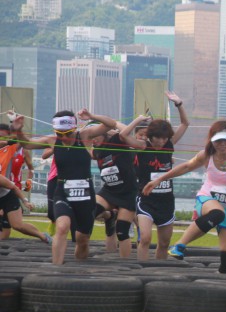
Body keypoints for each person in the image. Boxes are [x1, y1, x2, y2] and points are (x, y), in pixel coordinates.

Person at [144, 120, 226, 274]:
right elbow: (186, 166)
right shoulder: (206, 155)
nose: (222, 144)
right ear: (212, 141)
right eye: (218, 140)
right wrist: (159, 180)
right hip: (208, 199)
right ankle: (179, 245)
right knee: (217, 214)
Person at [13, 110, 118, 264]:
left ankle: (79, 269)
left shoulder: (85, 136)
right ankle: (56, 268)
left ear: (74, 128)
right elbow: (27, 144)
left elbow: (111, 124)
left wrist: (92, 117)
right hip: (63, 191)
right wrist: (19, 130)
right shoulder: (52, 140)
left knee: (82, 239)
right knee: (62, 227)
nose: (64, 137)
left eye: (68, 134)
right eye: (60, 134)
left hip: (85, 194)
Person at [125, 91, 189, 260]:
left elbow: (185, 123)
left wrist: (179, 104)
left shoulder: (169, 145)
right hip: (146, 200)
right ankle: (142, 268)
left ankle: (159, 269)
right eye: (157, 138)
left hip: (166, 201)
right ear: (150, 136)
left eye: (163, 138)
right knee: (145, 238)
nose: (160, 142)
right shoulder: (142, 146)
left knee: (164, 243)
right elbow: (123, 135)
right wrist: (138, 120)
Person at [90, 114, 153, 259]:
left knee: (122, 231)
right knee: (88, 212)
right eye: (91, 137)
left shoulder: (116, 141)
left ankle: (125, 262)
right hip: (109, 191)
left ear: (103, 134)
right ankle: (109, 216)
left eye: (96, 135)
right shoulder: (96, 150)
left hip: (127, 194)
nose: (93, 139)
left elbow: (125, 132)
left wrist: (120, 123)